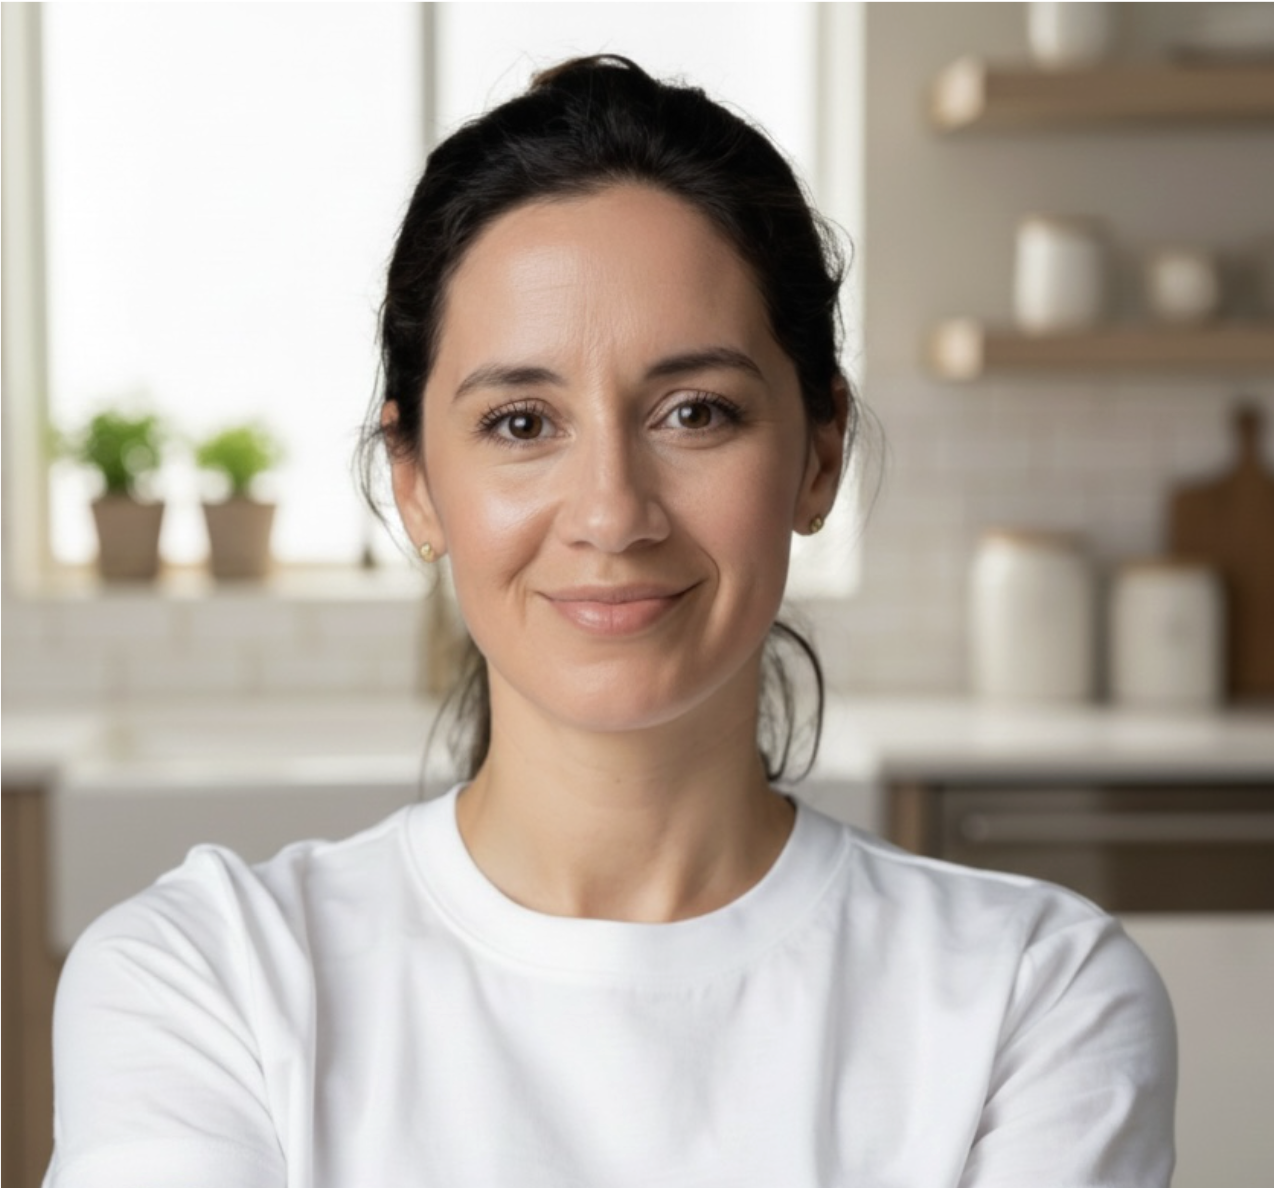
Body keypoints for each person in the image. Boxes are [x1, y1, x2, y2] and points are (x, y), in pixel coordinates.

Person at [43, 56, 1175, 1187]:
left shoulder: (1032, 996)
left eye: (694, 412)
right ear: (416, 484)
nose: (610, 512)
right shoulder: (207, 978)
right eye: (522, 422)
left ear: (818, 454)